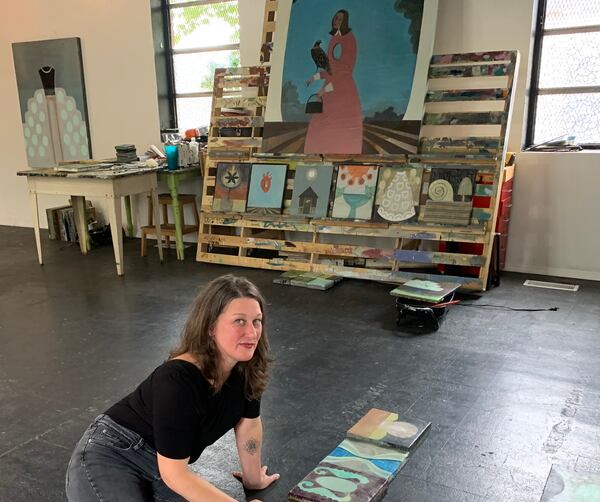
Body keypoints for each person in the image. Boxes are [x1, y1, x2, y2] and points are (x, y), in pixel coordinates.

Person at [65, 275, 279, 501]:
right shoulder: (177, 380)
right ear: (210, 327)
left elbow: (248, 422)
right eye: (239, 321)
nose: (252, 333)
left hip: (162, 463)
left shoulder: (246, 369)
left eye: (257, 321)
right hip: (112, 452)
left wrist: (253, 480)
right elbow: (175, 475)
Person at [304, 9, 363, 154]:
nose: (336, 21)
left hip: (343, 91)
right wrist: (315, 78)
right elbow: (331, 70)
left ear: (345, 22)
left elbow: (342, 75)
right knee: (319, 125)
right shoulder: (334, 39)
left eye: (340, 19)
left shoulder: (349, 39)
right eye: (336, 18)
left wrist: (324, 90)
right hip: (330, 89)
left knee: (341, 126)